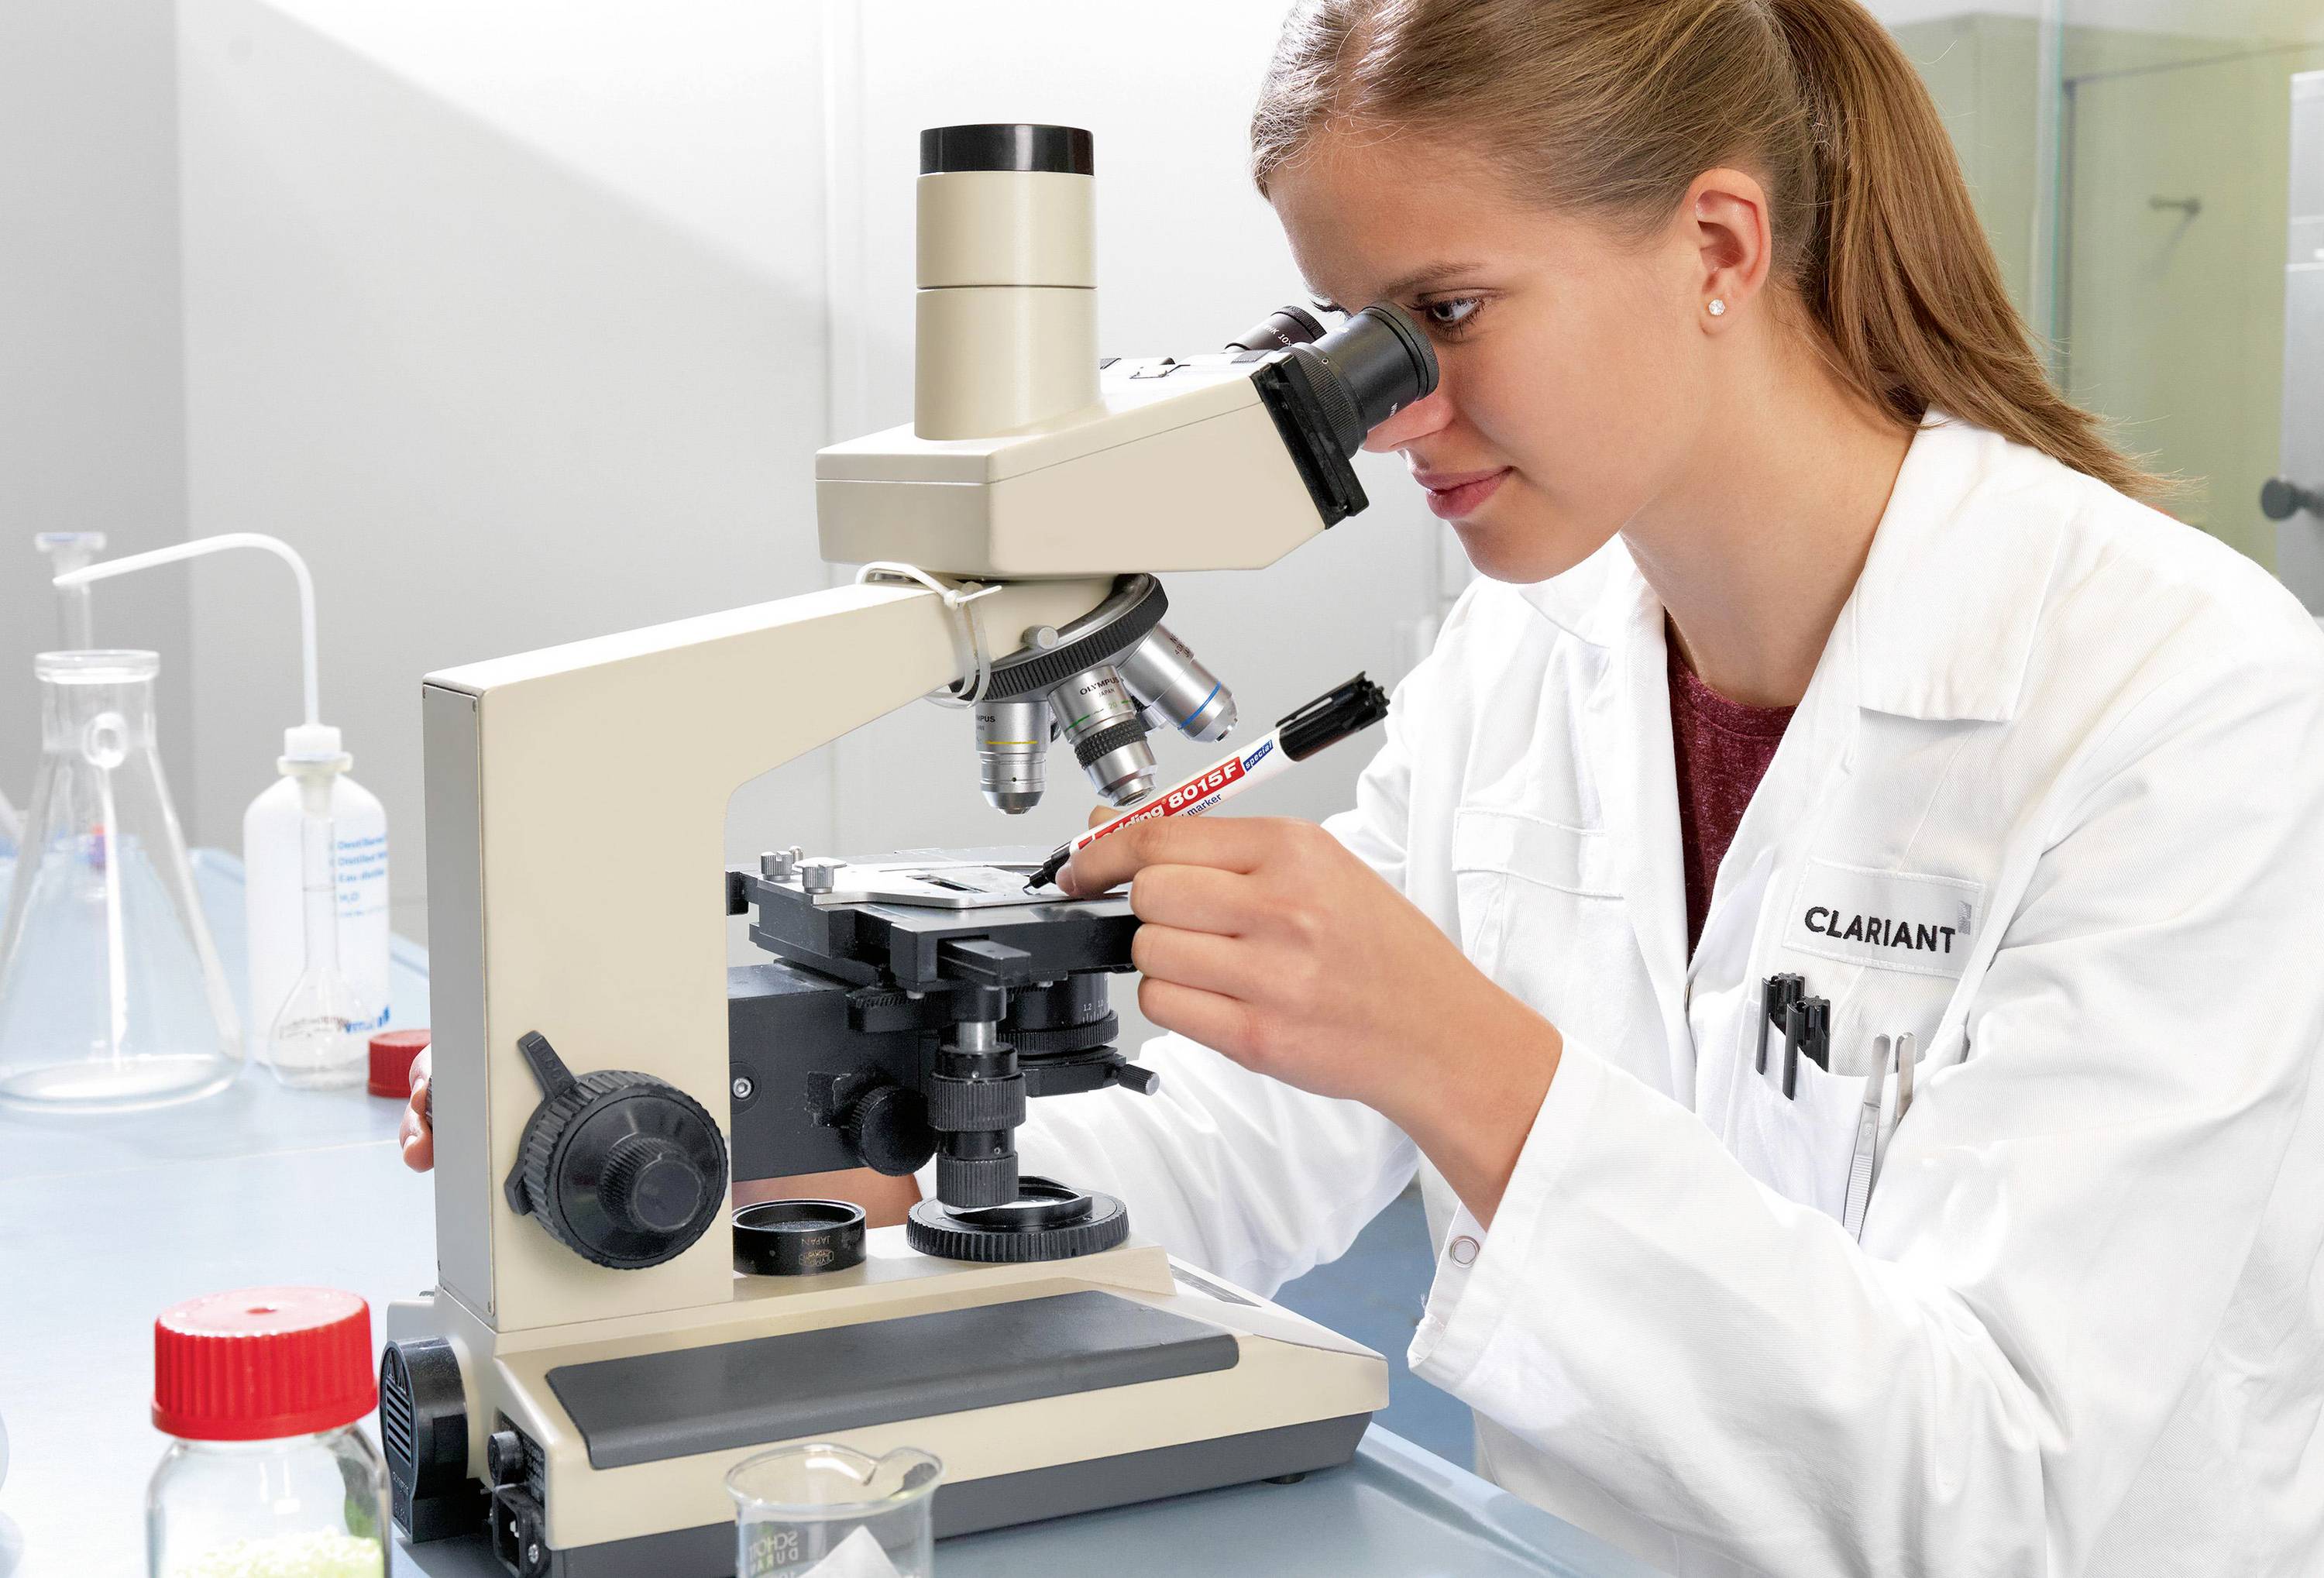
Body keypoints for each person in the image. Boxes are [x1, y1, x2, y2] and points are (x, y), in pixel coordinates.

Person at [405, 0, 2324, 1569]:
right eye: (1351, 341)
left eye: (1450, 316)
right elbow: (1257, 1143)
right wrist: (836, 1122)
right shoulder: (1543, 639)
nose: (1393, 412)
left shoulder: (2180, 697)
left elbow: (1992, 1489)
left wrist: (1460, 1051)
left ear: (1719, 246)